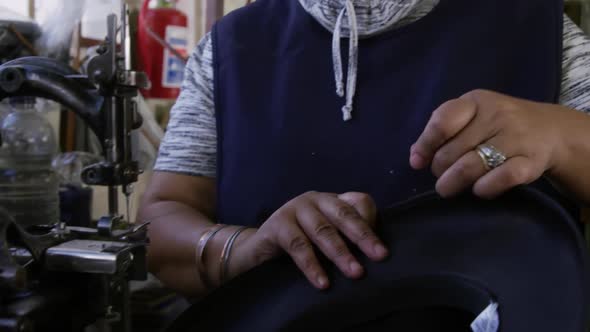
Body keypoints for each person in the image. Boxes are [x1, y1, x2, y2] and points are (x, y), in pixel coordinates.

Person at [139, 0, 590, 297]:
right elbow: (161, 215)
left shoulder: (539, 29)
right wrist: (241, 251)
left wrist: (563, 136)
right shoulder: (229, 49)